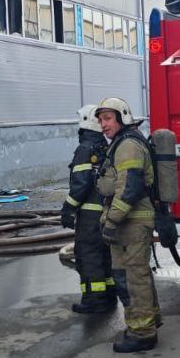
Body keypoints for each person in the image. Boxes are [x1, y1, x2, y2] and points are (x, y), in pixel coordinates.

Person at [94, 97, 160, 353]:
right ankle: (146, 322)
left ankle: (142, 333)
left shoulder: (128, 146)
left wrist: (111, 221)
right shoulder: (122, 143)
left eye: (108, 118)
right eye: (100, 120)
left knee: (133, 277)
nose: (103, 124)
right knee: (131, 275)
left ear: (122, 118)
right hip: (128, 221)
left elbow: (129, 188)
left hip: (132, 222)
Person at [61, 105, 115, 314]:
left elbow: (81, 183)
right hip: (105, 212)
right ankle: (109, 296)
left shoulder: (85, 148)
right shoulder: (105, 146)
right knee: (105, 254)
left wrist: (68, 209)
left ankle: (94, 301)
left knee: (88, 256)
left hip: (89, 216)